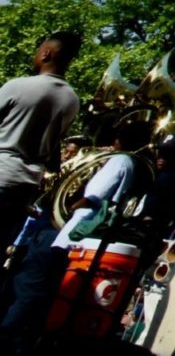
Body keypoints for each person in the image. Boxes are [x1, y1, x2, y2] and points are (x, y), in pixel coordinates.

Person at [0, 117, 153, 349]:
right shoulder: (134, 164)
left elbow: (94, 195)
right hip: (82, 236)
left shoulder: (120, 160)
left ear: (120, 139)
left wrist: (70, 205)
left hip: (73, 233)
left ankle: (8, 336)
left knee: (30, 285)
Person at [0, 34, 83, 254]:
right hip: (26, 186)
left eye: (38, 50)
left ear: (46, 53)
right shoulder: (72, 100)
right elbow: (53, 148)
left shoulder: (18, 86)